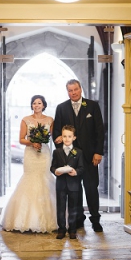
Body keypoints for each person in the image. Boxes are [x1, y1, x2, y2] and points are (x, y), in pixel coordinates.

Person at [52, 79, 105, 232]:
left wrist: (98, 152)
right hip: (71, 159)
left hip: (90, 157)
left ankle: (95, 219)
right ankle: (78, 219)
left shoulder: (92, 106)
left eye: (75, 89)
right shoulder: (61, 108)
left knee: (91, 188)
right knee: (74, 190)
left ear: (80, 89)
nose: (73, 93)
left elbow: (99, 131)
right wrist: (63, 151)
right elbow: (56, 133)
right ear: (67, 91)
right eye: (70, 90)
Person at [1, 95, 59, 233]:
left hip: (44, 153)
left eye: (39, 103)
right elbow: (21, 139)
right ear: (31, 105)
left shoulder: (50, 120)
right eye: (34, 103)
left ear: (44, 105)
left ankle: (49, 218)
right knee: (30, 178)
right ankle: (25, 219)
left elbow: (54, 137)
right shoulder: (25, 120)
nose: (36, 105)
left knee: (45, 179)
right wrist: (32, 142)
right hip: (30, 154)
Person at [51, 125, 84, 240]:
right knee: (60, 207)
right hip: (61, 184)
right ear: (62, 137)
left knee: (73, 208)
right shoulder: (57, 152)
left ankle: (72, 230)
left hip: (74, 184)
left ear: (74, 138)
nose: (66, 139)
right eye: (64, 136)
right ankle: (61, 229)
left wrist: (76, 172)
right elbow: (52, 167)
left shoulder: (78, 152)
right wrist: (56, 171)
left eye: (69, 136)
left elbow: (82, 167)